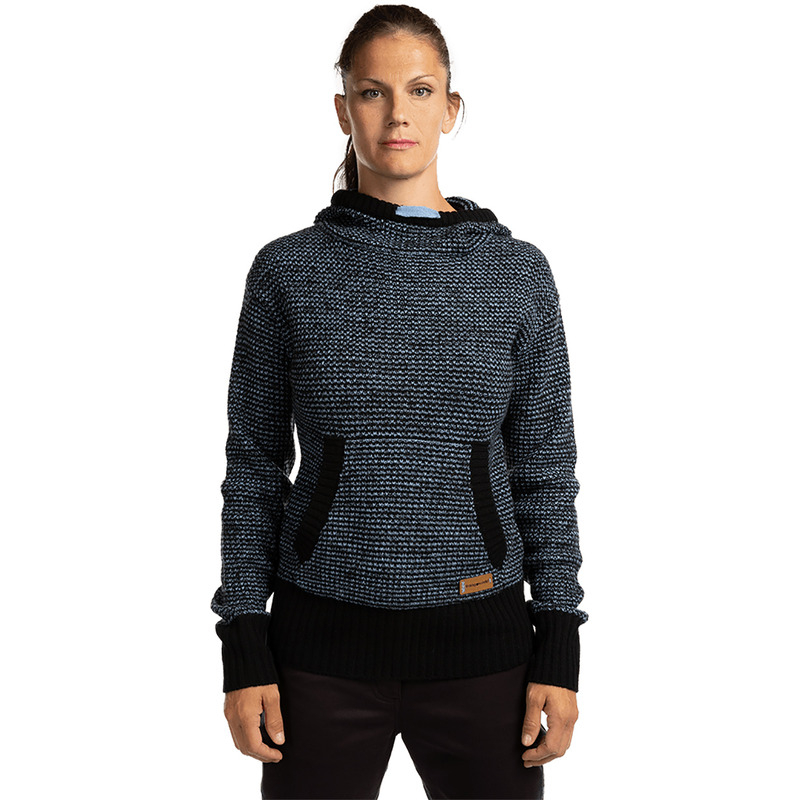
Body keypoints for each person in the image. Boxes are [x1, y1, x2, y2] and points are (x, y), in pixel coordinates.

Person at [210, 5, 588, 799]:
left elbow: (546, 471)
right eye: (372, 92)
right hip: (316, 656)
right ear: (343, 109)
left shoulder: (517, 275)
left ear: (451, 109)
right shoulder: (288, 272)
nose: (397, 114)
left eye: (419, 90)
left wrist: (559, 644)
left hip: (485, 652)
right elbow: (253, 468)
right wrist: (243, 645)